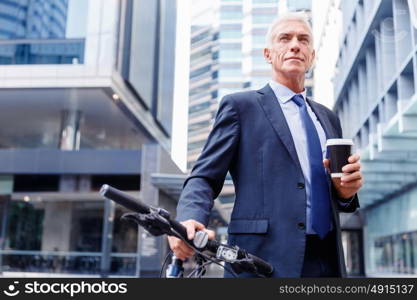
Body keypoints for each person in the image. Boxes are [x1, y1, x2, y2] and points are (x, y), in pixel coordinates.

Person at [168, 12, 363, 277]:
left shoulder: (328, 118)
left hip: (326, 261)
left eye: (303, 39)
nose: (295, 44)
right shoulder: (240, 107)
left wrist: (345, 192)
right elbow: (203, 176)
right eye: (285, 38)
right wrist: (189, 219)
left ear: (312, 56)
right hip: (261, 261)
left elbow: (335, 194)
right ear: (268, 54)